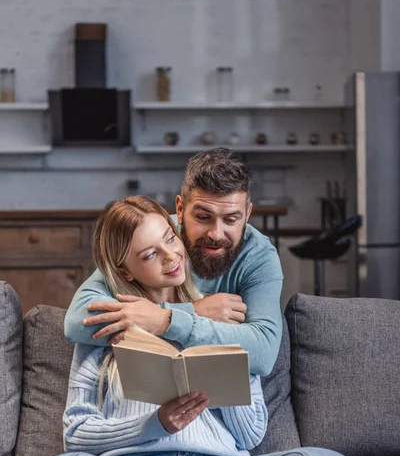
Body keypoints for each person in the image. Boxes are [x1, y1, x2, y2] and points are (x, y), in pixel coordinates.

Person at [32, 195, 355, 456]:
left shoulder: (221, 318)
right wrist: (156, 424)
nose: (171, 256)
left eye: (170, 239)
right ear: (125, 269)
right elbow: (76, 435)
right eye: (150, 254)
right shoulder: (108, 326)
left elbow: (250, 434)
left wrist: (220, 375)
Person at [64, 148, 283, 377]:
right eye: (203, 217)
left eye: (230, 219)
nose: (216, 233)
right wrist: (193, 312)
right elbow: (77, 321)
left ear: (247, 214)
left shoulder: (259, 257)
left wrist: (163, 320)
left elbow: (263, 353)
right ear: (179, 209)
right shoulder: (156, 233)